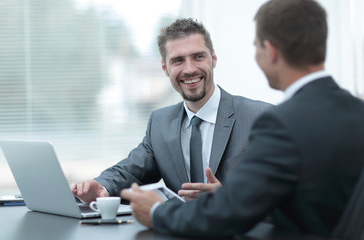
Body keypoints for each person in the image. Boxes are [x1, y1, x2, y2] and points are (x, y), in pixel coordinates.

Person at [121, 0, 364, 238]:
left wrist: (156, 211)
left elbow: (229, 213)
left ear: (270, 51)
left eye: (256, 47)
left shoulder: (279, 123)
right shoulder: (357, 111)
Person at [71, 18, 271, 203]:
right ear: (165, 68)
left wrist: (228, 197)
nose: (189, 69)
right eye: (178, 60)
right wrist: (101, 186)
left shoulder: (260, 118)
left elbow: (282, 193)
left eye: (198, 57)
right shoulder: (160, 122)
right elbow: (131, 170)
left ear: (214, 59)